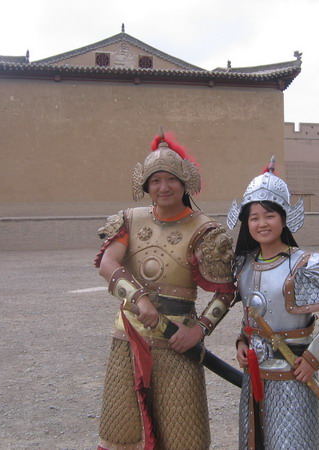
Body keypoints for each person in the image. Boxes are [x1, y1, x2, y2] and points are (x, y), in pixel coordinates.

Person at [94, 131, 236, 450]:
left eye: (170, 179)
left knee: (184, 434)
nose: (163, 187)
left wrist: (198, 330)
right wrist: (138, 298)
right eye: (155, 180)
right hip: (129, 336)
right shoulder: (130, 220)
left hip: (177, 340)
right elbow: (107, 263)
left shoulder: (205, 229)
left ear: (184, 182)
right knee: (122, 429)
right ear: (146, 186)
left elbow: (227, 291)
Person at [226, 157, 319, 449]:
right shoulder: (244, 264)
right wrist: (242, 342)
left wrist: (312, 359)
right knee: (255, 443)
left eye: (269, 215)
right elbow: (252, 315)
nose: (261, 223)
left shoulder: (305, 264)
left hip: (292, 374)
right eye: (254, 217)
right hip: (254, 375)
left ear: (284, 218)